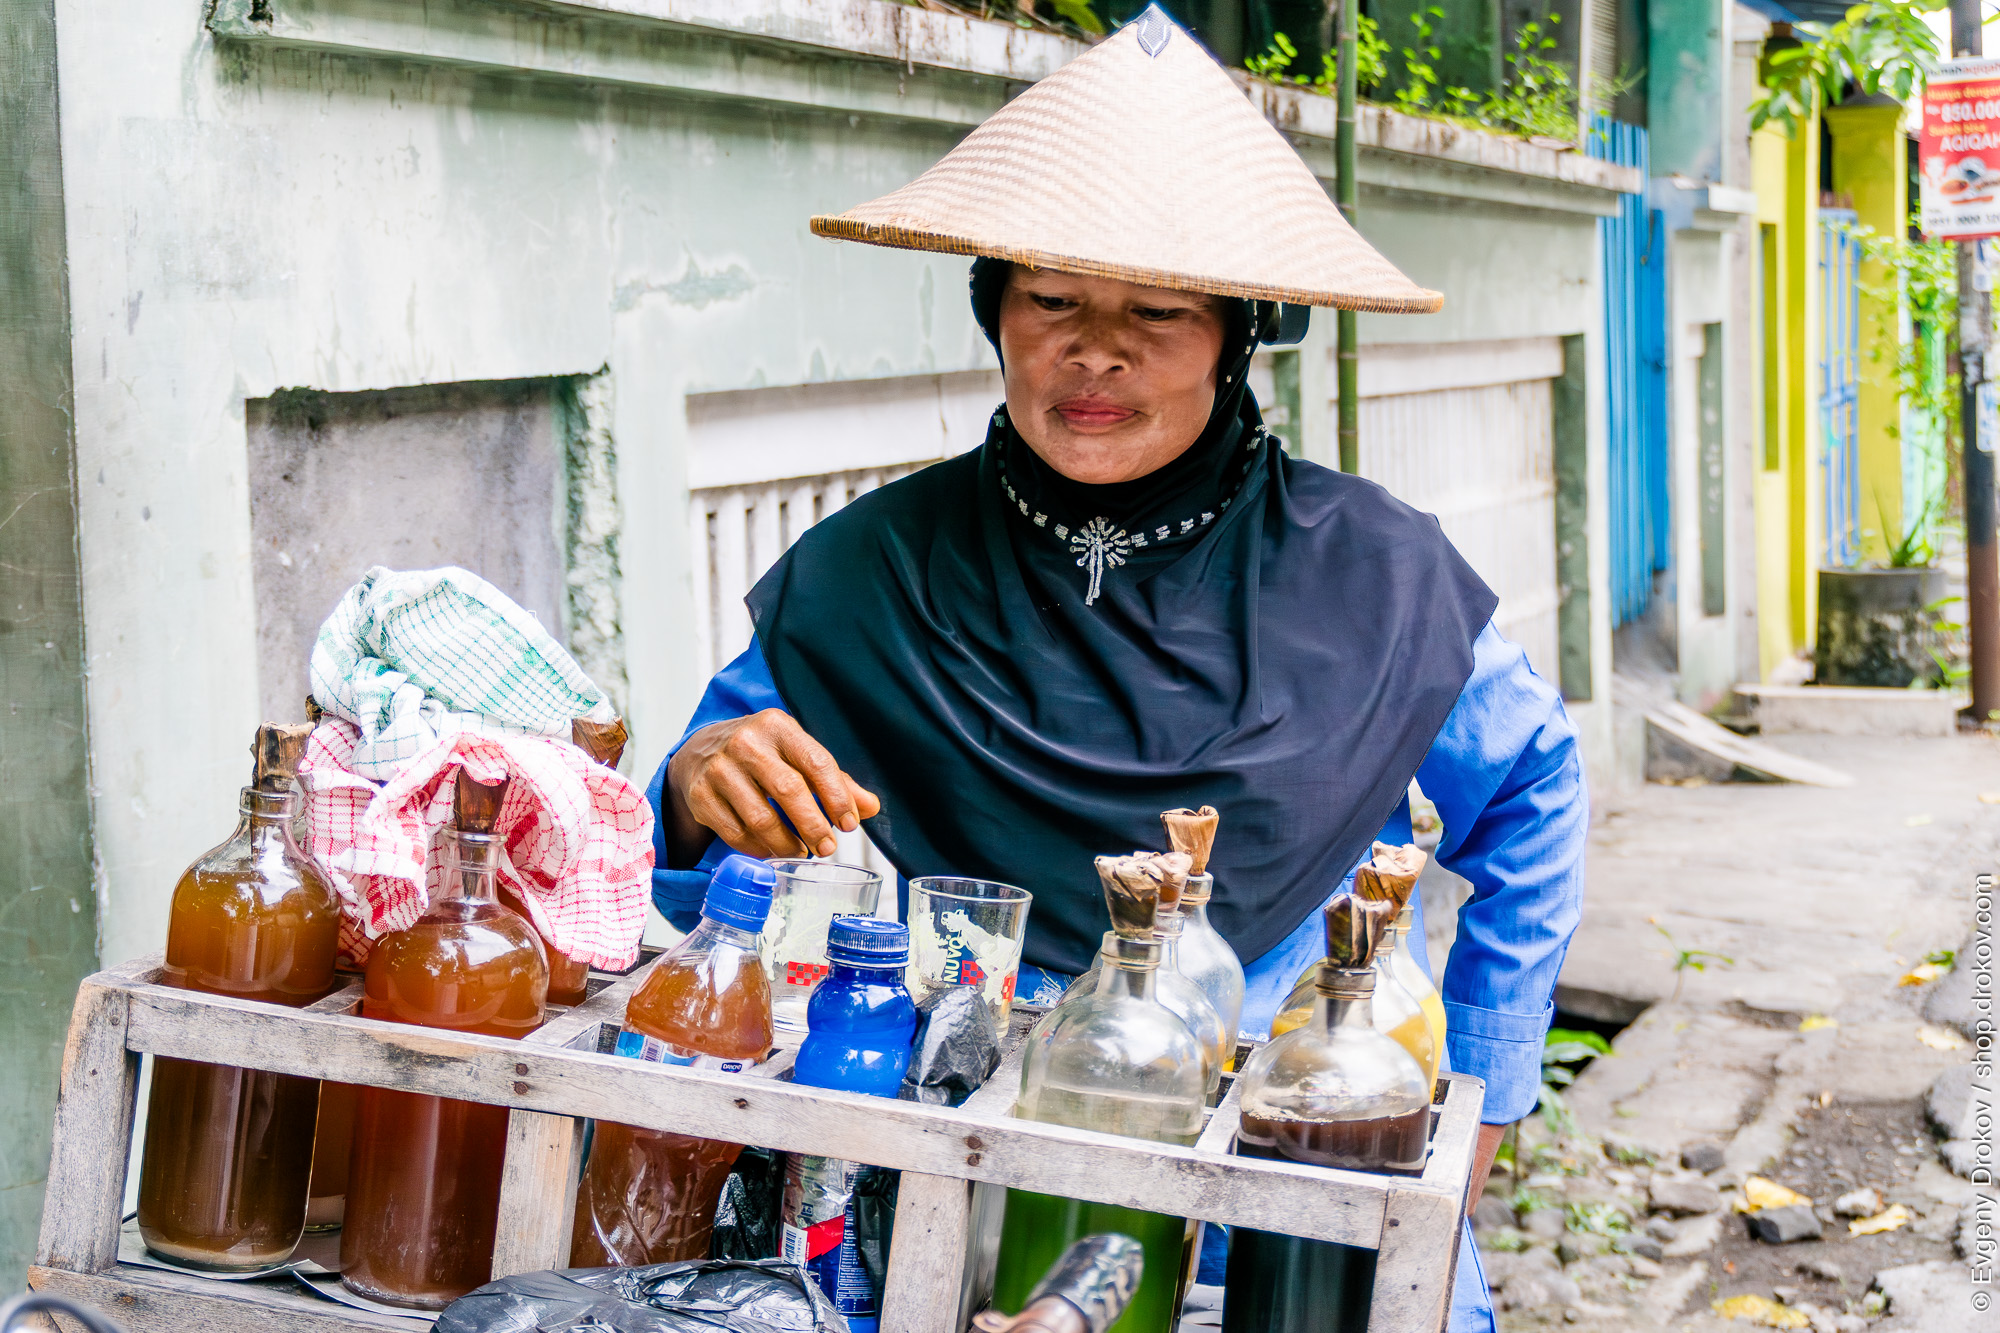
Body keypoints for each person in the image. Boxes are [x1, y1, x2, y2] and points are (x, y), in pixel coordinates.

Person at [648, 12, 1583, 1331]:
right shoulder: (874, 566)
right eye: (1052, 302)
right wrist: (701, 784)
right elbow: (693, 837)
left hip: (1302, 1185)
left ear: (1236, 334)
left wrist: (1484, 1092)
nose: (1098, 351)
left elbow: (1534, 785)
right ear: (994, 312)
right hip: (968, 1177)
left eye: (1157, 311)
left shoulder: (1377, 575)